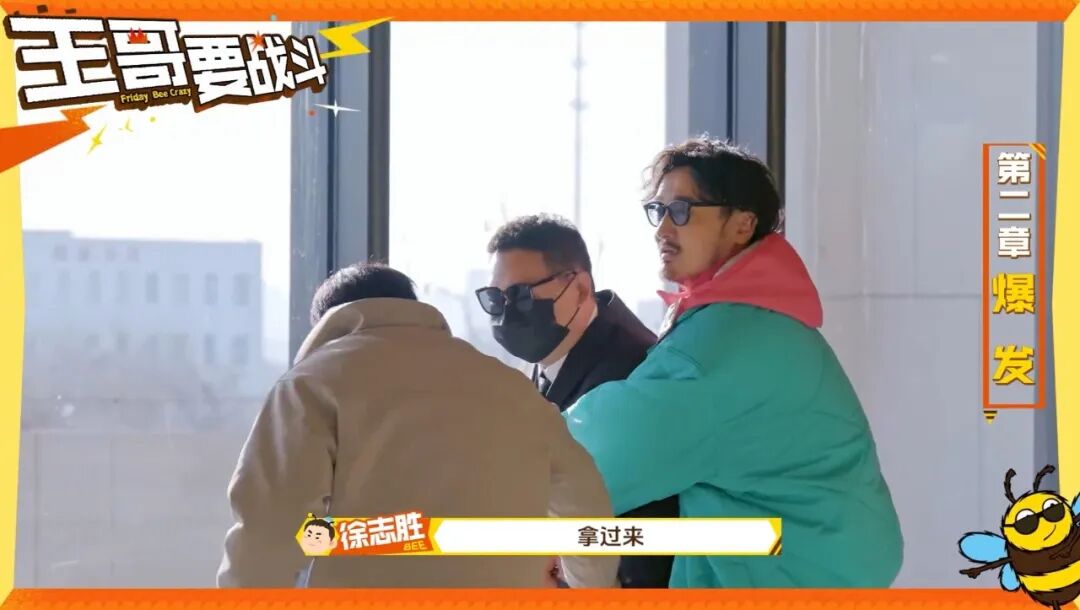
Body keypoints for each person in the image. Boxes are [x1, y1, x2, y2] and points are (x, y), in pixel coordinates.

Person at [563, 136, 904, 588]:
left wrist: (504, 439)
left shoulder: (724, 344)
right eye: (657, 210)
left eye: (681, 210)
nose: (662, 229)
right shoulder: (766, 321)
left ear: (743, 224)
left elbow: (599, 453)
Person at [217, 263, 619, 589]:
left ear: (326, 323)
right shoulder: (511, 387)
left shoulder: (312, 385)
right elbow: (585, 504)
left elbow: (266, 533)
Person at [476, 214, 679, 589]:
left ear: (581, 289)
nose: (506, 315)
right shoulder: (545, 366)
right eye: (495, 299)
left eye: (521, 297)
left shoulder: (631, 373)